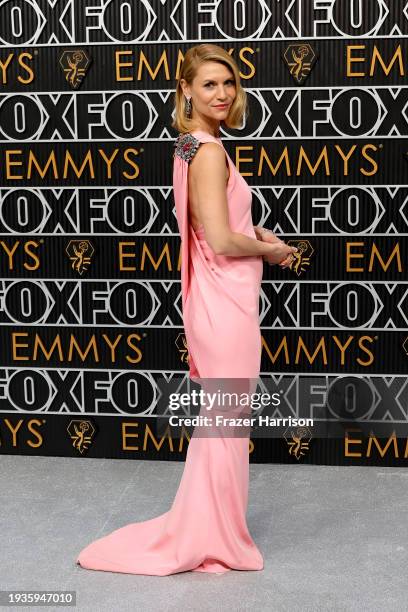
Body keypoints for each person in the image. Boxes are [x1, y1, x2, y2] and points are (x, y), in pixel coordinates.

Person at [75, 43, 297, 576]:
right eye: (209, 84)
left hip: (217, 301)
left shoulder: (189, 147)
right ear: (186, 91)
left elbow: (207, 226)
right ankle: (215, 538)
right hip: (226, 306)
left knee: (219, 424)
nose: (222, 93)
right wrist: (270, 248)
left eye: (229, 83)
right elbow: (218, 239)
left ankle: (210, 528)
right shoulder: (210, 150)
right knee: (227, 425)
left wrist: (254, 232)